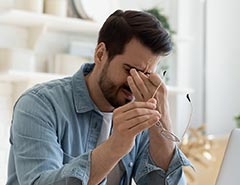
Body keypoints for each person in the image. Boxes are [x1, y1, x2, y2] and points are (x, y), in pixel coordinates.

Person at [7, 9, 190, 185]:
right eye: (129, 70)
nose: (135, 83)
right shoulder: (39, 105)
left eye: (146, 75)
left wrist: (163, 121)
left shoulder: (139, 114)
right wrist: (115, 146)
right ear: (100, 54)